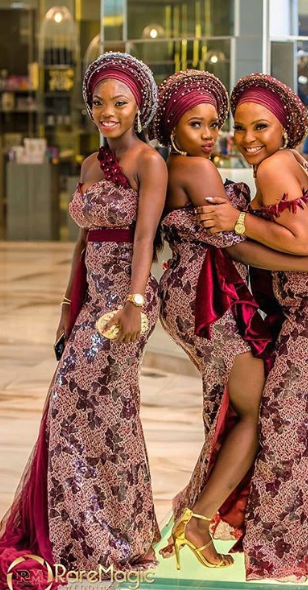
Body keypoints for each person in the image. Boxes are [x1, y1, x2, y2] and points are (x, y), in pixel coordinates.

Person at [150, 70, 308, 571]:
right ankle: (213, 520)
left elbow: (292, 235)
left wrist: (305, 253)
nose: (230, 137)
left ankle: (240, 522)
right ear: (172, 126)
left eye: (216, 124)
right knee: (264, 410)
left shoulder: (265, 166)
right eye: (234, 127)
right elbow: (239, 245)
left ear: (284, 128)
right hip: (208, 298)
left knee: (266, 409)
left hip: (221, 296)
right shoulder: (202, 168)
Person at [0, 52, 167, 572]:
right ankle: (94, 531)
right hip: (91, 301)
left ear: (138, 106)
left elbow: (145, 238)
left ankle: (105, 537)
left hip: (128, 300)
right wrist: (67, 309)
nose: (107, 112)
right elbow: (81, 243)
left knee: (91, 407)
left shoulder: (149, 162)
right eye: (98, 103)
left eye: (119, 102)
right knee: (91, 411)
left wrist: (134, 303)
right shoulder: (90, 165)